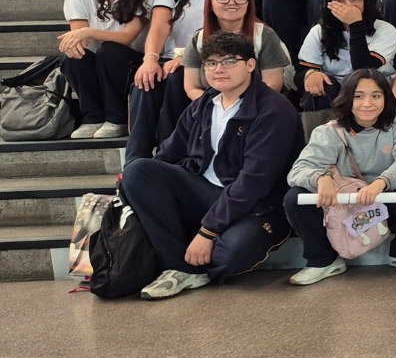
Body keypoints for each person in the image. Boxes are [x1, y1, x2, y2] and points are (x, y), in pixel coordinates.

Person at [120, 31, 302, 300]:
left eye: (229, 61)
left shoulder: (274, 110)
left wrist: (207, 232)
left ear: (250, 65)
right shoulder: (205, 103)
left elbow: (253, 183)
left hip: (257, 205)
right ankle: (181, 267)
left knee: (229, 254)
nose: (219, 70)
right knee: (138, 171)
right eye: (211, 63)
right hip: (204, 191)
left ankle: (192, 255)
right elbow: (170, 152)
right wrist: (135, 189)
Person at [283, 69, 396, 286]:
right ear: (348, 98)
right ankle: (323, 260)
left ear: (386, 98)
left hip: (384, 202)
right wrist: (321, 179)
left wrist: (380, 183)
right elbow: (298, 171)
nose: (367, 103)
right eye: (358, 96)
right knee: (295, 197)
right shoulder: (329, 131)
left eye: (376, 96)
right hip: (348, 209)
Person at [128, 0, 242, 160]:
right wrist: (150, 59)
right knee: (145, 81)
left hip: (211, 60)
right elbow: (160, 27)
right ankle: (135, 159)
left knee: (175, 77)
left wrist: (189, 57)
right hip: (170, 58)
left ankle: (168, 154)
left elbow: (234, 29)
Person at [59, 0, 150, 139]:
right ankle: (93, 117)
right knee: (73, 55)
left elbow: (126, 38)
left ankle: (117, 119)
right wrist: (82, 37)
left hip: (130, 62)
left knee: (110, 50)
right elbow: (79, 40)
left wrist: (90, 32)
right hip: (97, 59)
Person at [295, 0, 396, 111]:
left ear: (365, 1)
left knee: (359, 83)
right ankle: (321, 131)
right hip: (333, 90)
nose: (348, 5)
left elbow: (363, 68)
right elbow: (300, 73)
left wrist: (355, 25)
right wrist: (310, 74)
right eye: (339, 0)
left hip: (372, 86)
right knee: (319, 86)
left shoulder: (385, 30)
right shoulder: (319, 31)